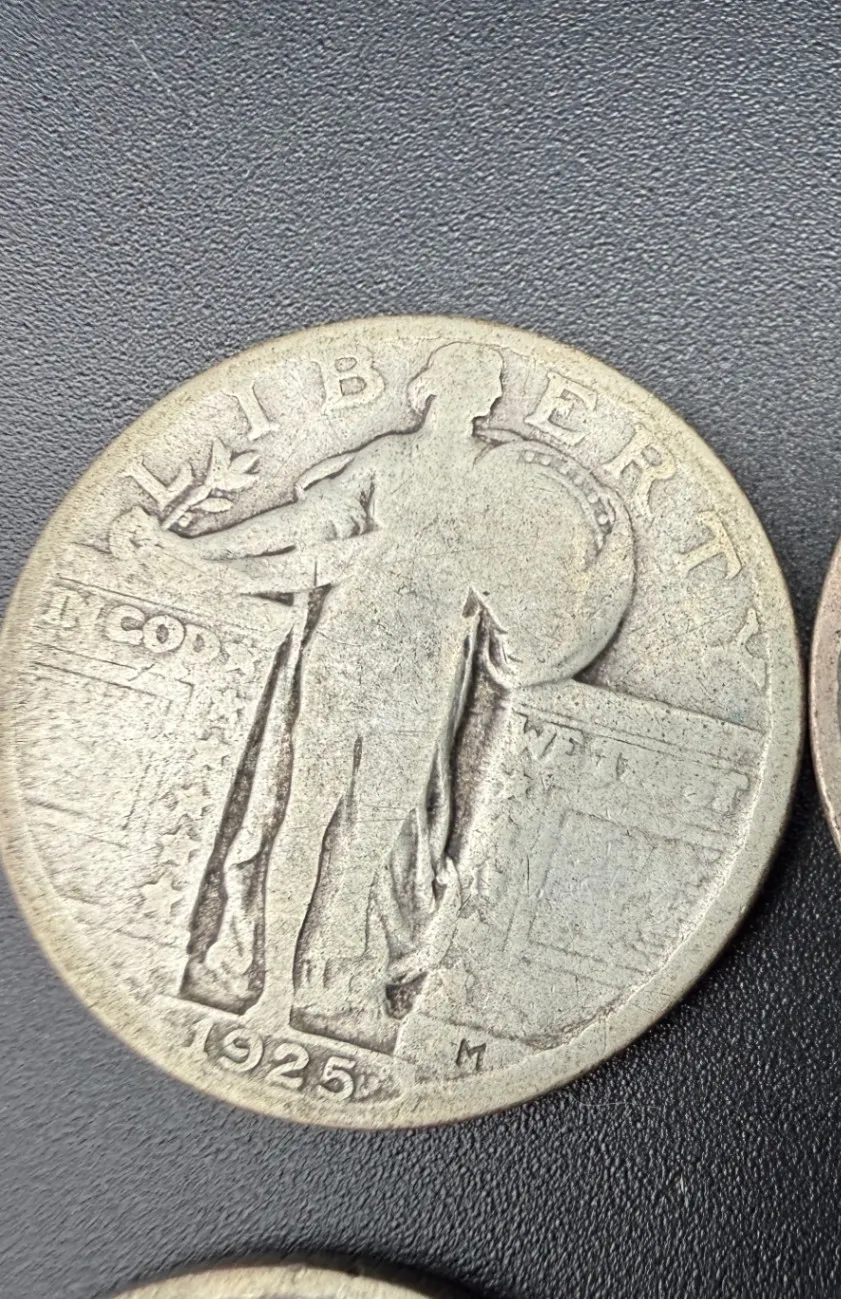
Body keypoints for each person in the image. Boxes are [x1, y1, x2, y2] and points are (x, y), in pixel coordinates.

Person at [124, 341, 632, 1045]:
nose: (483, 393)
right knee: (306, 816)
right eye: (472, 380)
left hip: (423, 670)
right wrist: (199, 551)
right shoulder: (388, 458)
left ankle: (334, 981)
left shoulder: (501, 479)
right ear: (432, 387)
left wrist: (541, 629)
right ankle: (273, 992)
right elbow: (307, 526)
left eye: (485, 384)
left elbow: (516, 588)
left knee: (372, 835)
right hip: (346, 653)